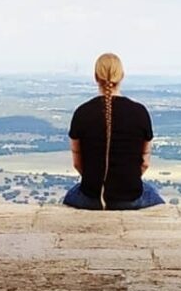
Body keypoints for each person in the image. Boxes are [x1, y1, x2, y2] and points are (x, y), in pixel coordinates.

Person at [63, 52, 166, 210]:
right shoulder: (139, 112)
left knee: (70, 195)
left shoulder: (82, 113)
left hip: (92, 196)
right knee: (155, 195)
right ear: (122, 76)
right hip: (131, 196)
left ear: (96, 77)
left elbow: (78, 163)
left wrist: (98, 182)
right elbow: (144, 164)